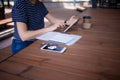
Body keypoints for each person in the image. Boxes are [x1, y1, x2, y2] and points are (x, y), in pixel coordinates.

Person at [11, 0, 78, 54]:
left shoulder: (39, 3)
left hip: (38, 39)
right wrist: (49, 28)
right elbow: (24, 36)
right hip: (22, 45)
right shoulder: (20, 5)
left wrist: (68, 22)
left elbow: (53, 20)